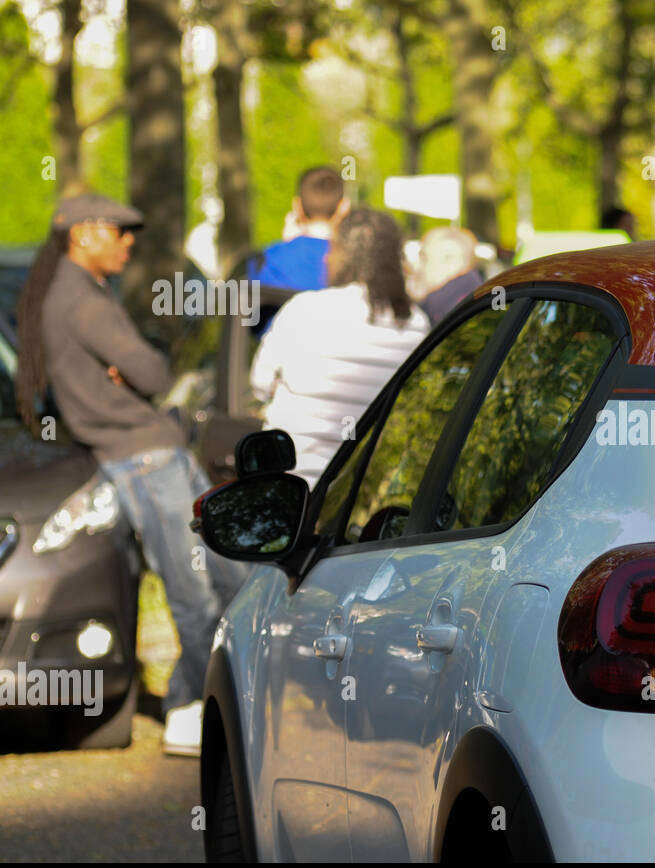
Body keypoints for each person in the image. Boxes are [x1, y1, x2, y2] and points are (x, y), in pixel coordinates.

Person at [15, 193, 249, 756]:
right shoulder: (81, 300)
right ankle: (191, 711)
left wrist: (130, 369)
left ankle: (211, 701)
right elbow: (150, 368)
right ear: (83, 234)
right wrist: (131, 367)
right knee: (195, 588)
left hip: (153, 453)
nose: (129, 241)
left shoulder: (72, 294)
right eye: (118, 231)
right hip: (144, 456)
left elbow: (132, 372)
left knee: (230, 578)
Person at [250, 206, 432, 488]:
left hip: (292, 483)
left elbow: (260, 385)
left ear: (339, 254)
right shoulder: (415, 322)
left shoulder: (305, 309)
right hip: (364, 493)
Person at [246, 166, 350, 338]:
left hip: (281, 360)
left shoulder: (265, 260)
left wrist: (289, 245)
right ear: (344, 207)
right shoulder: (359, 262)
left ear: (297, 206)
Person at [414, 226, 483, 325]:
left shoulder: (444, 313)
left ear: (452, 262)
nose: (417, 266)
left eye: (424, 257)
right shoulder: (476, 303)